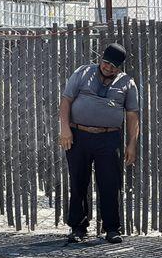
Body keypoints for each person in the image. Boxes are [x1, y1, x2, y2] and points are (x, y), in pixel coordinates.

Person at [59, 43, 139, 243]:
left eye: (114, 65)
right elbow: (66, 100)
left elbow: (132, 115)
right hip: (78, 135)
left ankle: (112, 228)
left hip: (109, 138)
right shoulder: (82, 72)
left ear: (120, 67)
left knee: (110, 183)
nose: (108, 68)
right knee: (78, 182)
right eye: (106, 62)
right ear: (100, 60)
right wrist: (65, 129)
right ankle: (78, 228)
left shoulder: (127, 83)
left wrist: (131, 144)